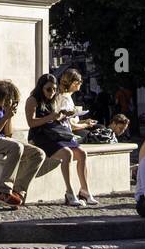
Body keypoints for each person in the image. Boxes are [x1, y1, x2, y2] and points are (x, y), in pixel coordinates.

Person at [25, 73, 95, 207]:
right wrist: (52, 116)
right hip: (41, 135)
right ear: (41, 88)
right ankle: (69, 192)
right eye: (48, 89)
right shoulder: (32, 100)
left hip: (56, 132)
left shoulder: (53, 99)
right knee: (67, 154)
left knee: (82, 154)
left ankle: (85, 191)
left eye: (54, 89)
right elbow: (31, 123)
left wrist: (62, 116)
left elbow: (53, 118)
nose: (51, 92)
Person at [0, 80, 44, 206]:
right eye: (8, 99)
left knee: (38, 154)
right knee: (16, 147)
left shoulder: (2, 108)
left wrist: (9, 116)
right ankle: (3, 191)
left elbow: (8, 134)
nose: (9, 103)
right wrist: (5, 117)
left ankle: (18, 190)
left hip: (1, 139)